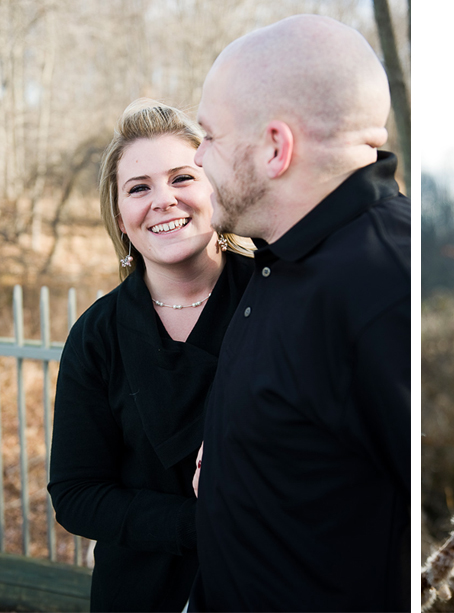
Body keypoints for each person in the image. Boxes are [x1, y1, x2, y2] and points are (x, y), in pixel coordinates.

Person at [188, 14, 411, 612]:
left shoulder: (388, 289)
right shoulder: (279, 258)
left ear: (275, 148)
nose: (198, 158)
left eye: (209, 135)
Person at [48, 99, 254, 612]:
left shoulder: (276, 298)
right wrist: (203, 526)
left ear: (213, 187)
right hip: (142, 592)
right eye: (139, 188)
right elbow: (77, 494)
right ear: (120, 217)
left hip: (273, 580)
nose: (163, 200)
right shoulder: (97, 335)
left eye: (182, 177)